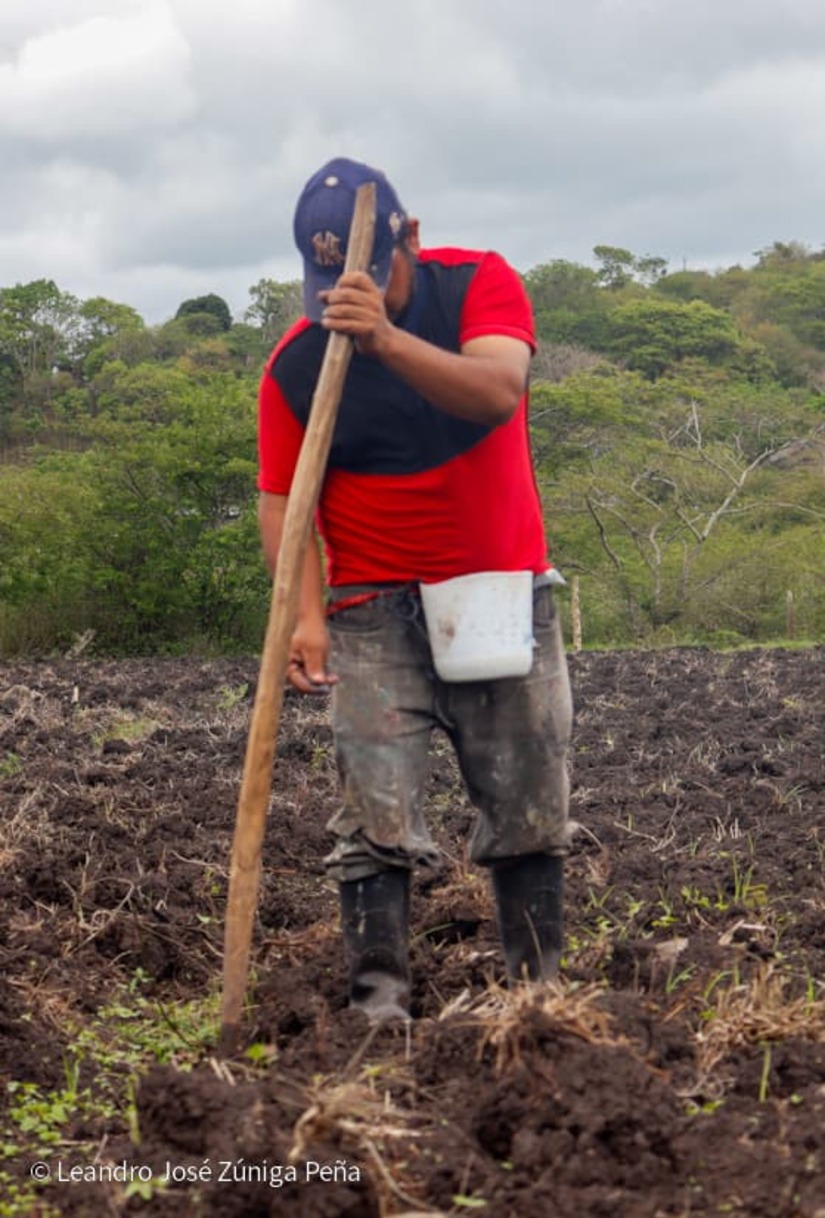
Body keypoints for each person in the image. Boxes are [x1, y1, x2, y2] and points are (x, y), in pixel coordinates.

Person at [257, 157, 573, 1022]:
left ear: (412, 241)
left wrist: (386, 342)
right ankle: (378, 1000)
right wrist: (306, 617)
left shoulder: (477, 283)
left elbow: (497, 393)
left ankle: (536, 993)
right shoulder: (293, 365)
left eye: (363, 275)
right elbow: (285, 503)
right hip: (370, 607)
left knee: (526, 794)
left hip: (496, 590)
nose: (341, 297)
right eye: (325, 282)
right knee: (374, 806)